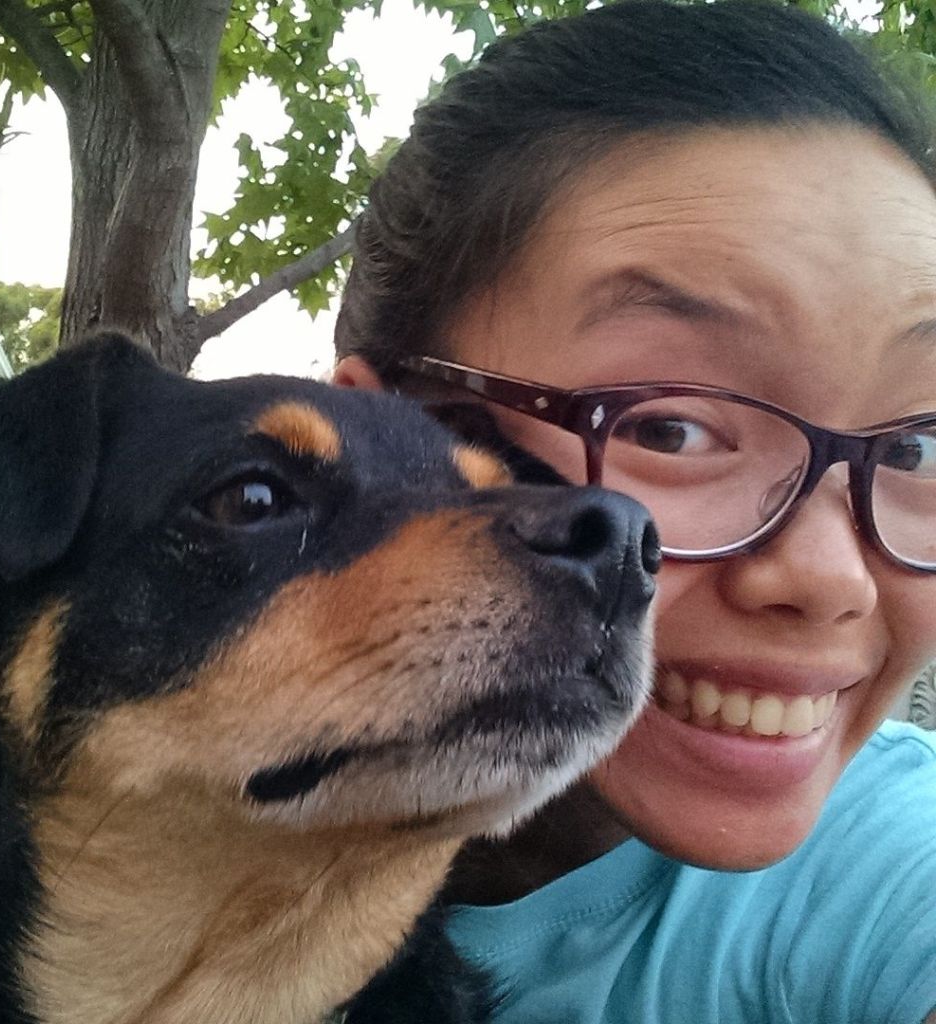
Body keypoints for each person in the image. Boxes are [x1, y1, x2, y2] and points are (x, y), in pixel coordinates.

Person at [332, 2, 936, 1020]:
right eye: (669, 427)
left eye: (918, 445)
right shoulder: (58, 764)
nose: (830, 579)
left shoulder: (882, 872)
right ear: (380, 435)